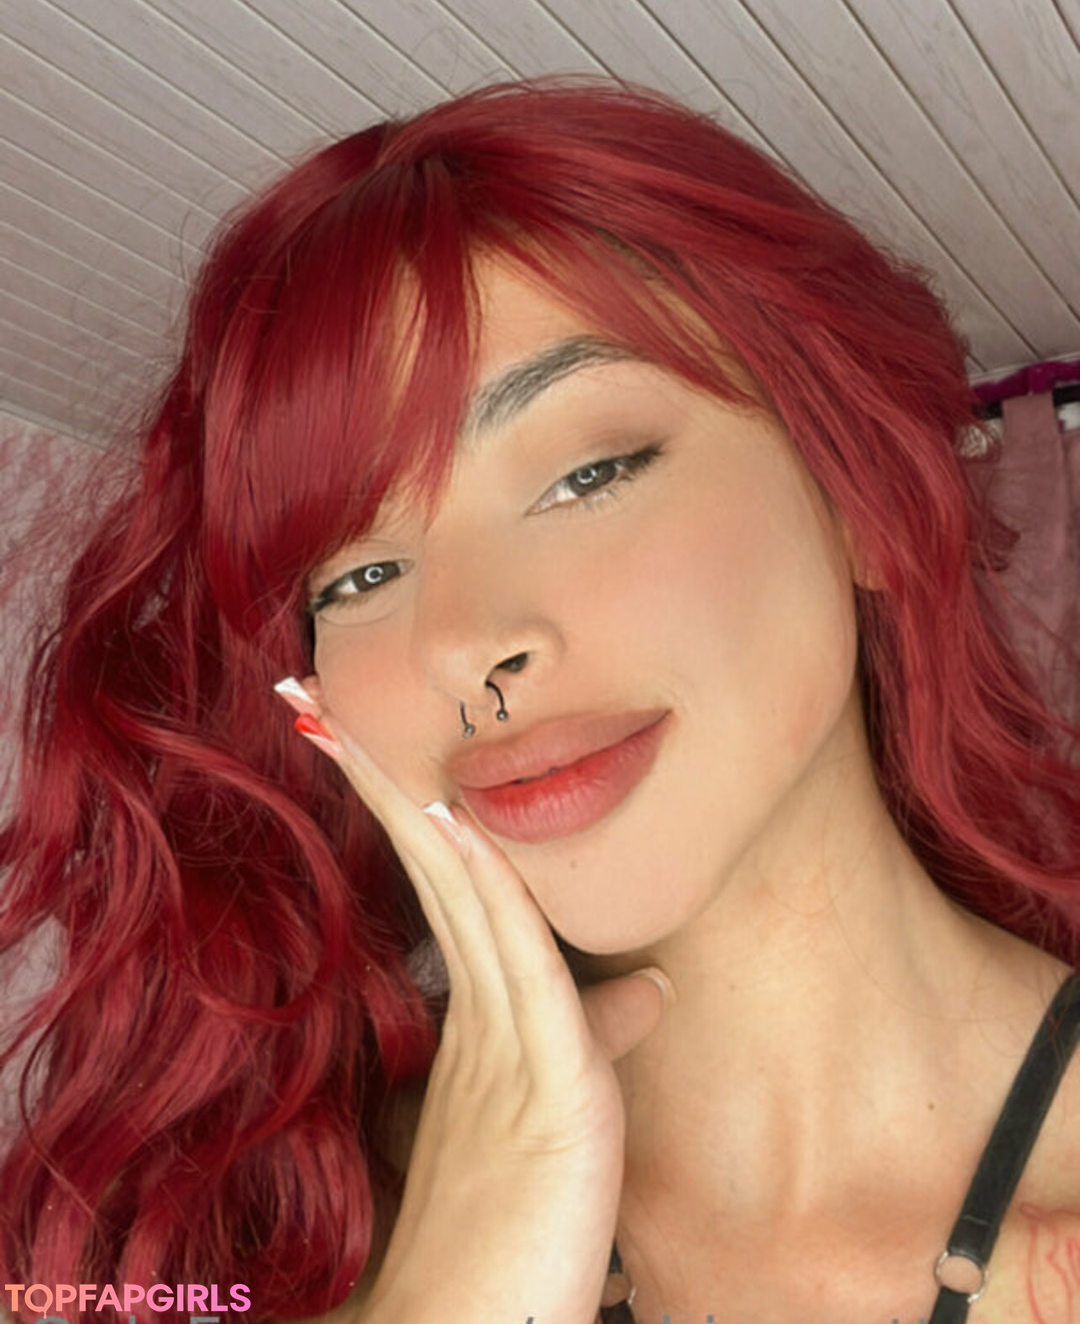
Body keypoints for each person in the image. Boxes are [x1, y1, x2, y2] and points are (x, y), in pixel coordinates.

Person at [1, 78, 1077, 1324]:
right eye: (357, 575)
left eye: (587, 473)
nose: (464, 640)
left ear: (866, 500)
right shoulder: (228, 1229)